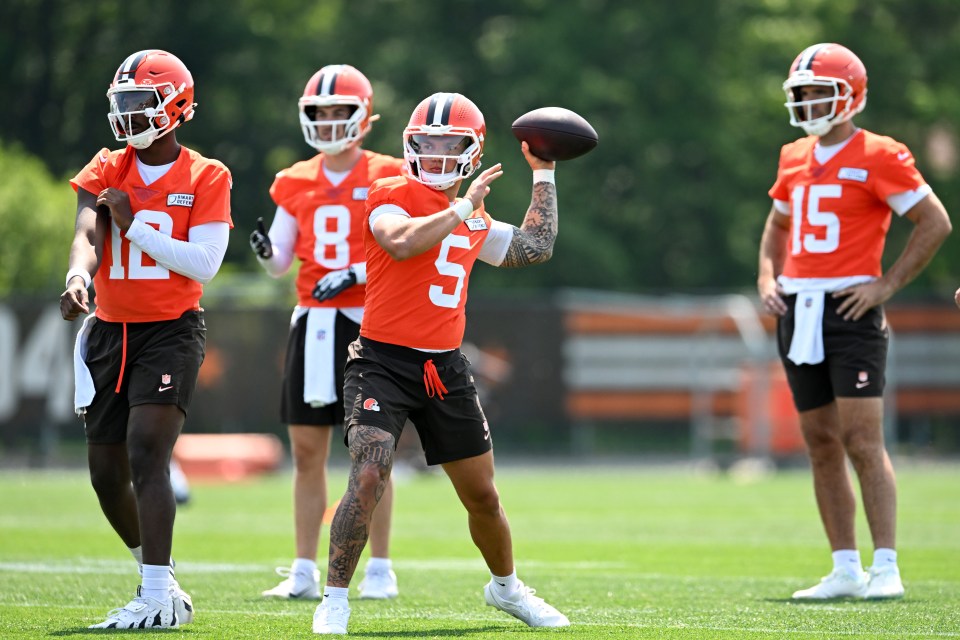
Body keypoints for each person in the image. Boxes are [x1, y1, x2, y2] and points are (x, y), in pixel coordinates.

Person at [311, 92, 570, 634]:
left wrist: (543, 172)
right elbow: (400, 242)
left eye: (447, 144)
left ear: (470, 152)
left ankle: (506, 589)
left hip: (445, 369)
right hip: (380, 360)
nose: (432, 154)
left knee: (482, 494)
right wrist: (460, 208)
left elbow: (535, 246)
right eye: (423, 144)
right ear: (408, 147)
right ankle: (334, 598)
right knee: (369, 472)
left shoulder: (474, 218)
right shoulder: (389, 193)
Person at [757, 43, 951, 601]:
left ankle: (885, 564)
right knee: (819, 442)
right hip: (798, 307)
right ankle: (844, 566)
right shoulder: (793, 155)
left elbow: (934, 221)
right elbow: (776, 227)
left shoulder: (881, 154)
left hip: (850, 308)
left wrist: (886, 285)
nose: (811, 102)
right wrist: (768, 281)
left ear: (850, 95)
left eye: (821, 92)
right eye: (804, 93)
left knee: (863, 439)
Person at [59, 49, 233, 628]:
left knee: (146, 452)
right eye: (123, 103)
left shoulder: (207, 175)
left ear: (177, 107)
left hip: (170, 331)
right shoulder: (108, 166)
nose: (130, 115)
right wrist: (79, 275)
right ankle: (161, 580)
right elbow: (88, 228)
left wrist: (135, 225)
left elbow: (205, 263)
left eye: (143, 103)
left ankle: (156, 597)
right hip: (110, 331)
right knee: (105, 474)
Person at [250, 64, 403, 601]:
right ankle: (302, 569)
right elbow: (281, 261)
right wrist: (267, 253)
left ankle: (380, 568)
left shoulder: (389, 173)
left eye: (342, 111)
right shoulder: (294, 180)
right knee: (307, 452)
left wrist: (357, 274)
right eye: (322, 112)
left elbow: (403, 243)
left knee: (372, 452)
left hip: (371, 323)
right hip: (313, 323)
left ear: (365, 118)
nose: (332, 120)